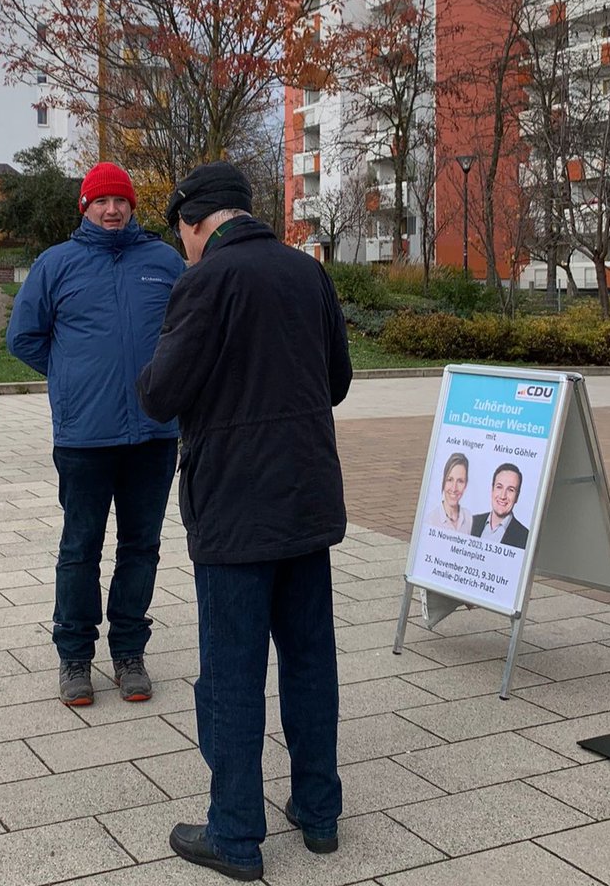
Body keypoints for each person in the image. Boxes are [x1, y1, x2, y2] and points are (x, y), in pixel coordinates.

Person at [137, 162, 352, 882]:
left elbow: (159, 395)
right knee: (309, 660)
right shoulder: (307, 273)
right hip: (306, 498)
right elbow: (339, 381)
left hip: (234, 505)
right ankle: (319, 813)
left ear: (196, 222)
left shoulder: (204, 281)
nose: (184, 250)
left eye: (182, 237)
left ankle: (235, 833)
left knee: (231, 672)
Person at [7, 162, 185, 706]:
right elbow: (23, 337)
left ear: (134, 206)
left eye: (121, 201)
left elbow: (188, 333)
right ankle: (75, 658)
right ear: (83, 207)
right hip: (85, 438)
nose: (112, 209)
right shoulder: (56, 264)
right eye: (100, 201)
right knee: (79, 547)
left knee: (142, 546)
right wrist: (71, 376)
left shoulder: (164, 262)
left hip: (155, 434)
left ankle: (130, 651)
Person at [470, 462, 530, 548]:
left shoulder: (525, 537)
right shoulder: (471, 522)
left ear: (517, 496)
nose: (503, 496)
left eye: (510, 490)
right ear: (492, 490)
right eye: (499, 487)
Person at [424, 452, 472, 535]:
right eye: (450, 480)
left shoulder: (469, 518)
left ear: (466, 484)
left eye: (460, 481)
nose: (454, 488)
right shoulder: (430, 521)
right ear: (443, 481)